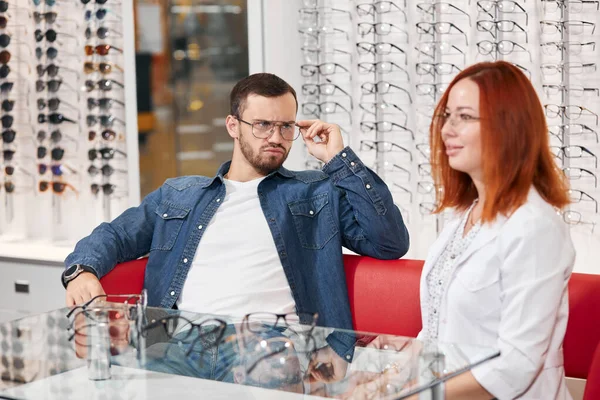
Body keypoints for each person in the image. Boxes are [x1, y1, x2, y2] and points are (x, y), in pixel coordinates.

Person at [62, 72, 410, 381]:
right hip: (180, 340)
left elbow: (389, 242)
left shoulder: (316, 193)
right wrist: (83, 270)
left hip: (270, 343)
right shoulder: (179, 194)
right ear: (233, 126)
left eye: (286, 126)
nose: (276, 136)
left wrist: (338, 160)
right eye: (262, 125)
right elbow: (115, 235)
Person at [419, 61, 574, 399]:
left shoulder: (535, 227)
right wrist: (386, 378)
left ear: (508, 126)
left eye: (464, 117)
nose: (447, 129)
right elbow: (436, 329)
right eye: (446, 116)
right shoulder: (464, 216)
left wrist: (416, 394)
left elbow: (515, 365)